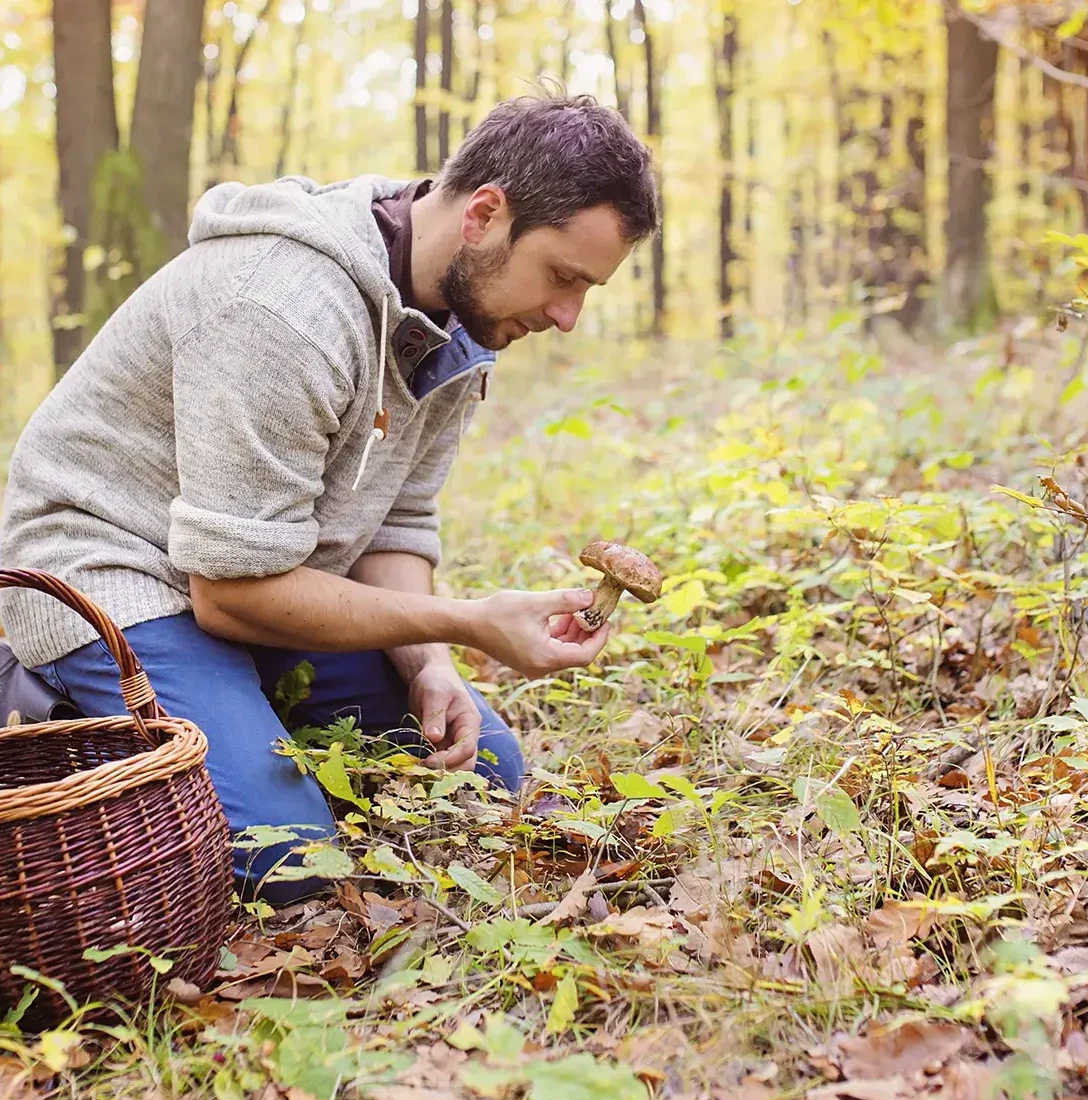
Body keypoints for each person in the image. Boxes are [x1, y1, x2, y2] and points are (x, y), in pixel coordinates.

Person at [0, 93, 660, 903]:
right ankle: (49, 701)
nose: (566, 316)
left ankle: (231, 712)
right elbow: (231, 591)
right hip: (114, 576)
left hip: (264, 578)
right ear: (485, 213)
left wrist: (432, 665)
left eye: (586, 288)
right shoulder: (281, 309)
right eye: (562, 277)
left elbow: (399, 520)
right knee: (291, 864)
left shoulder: (464, 316)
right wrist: (466, 618)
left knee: (487, 769)